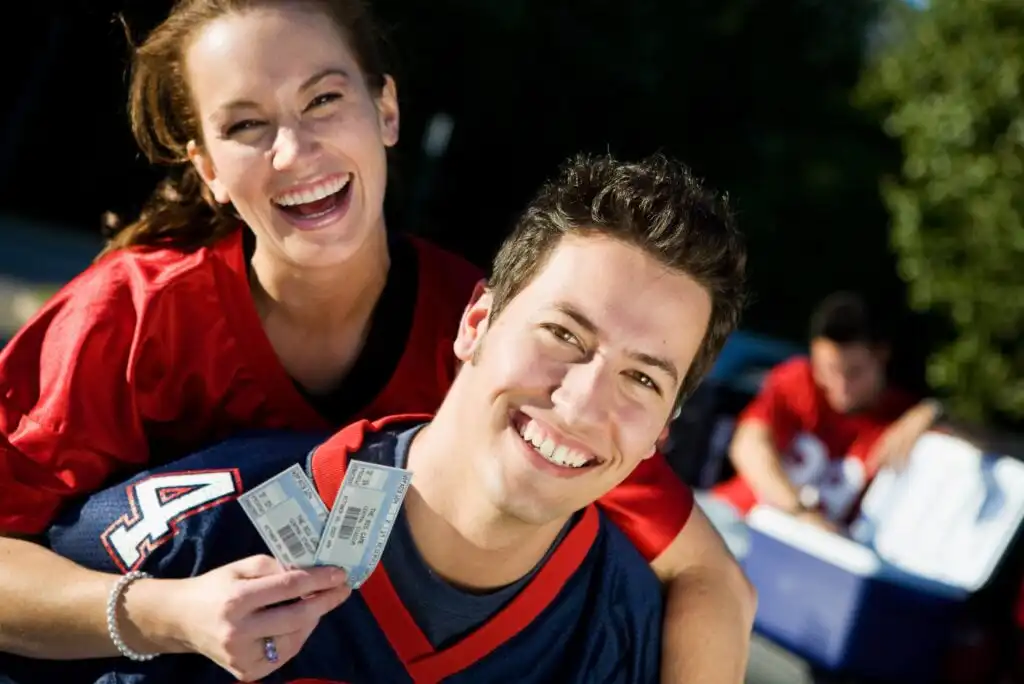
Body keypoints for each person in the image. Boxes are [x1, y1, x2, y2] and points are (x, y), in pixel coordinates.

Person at [0, 0, 755, 680]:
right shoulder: (128, 318)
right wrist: (166, 614)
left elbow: (711, 578)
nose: (295, 152)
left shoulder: (523, 350)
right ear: (208, 172)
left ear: (386, 109)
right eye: (245, 126)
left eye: (324, 99)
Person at [712, 291, 942, 531]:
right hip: (738, 517)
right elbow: (747, 446)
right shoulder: (799, 380)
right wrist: (800, 514)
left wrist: (933, 411)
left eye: (854, 372)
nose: (841, 387)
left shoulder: (902, 419)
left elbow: (978, 442)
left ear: (881, 356)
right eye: (830, 369)